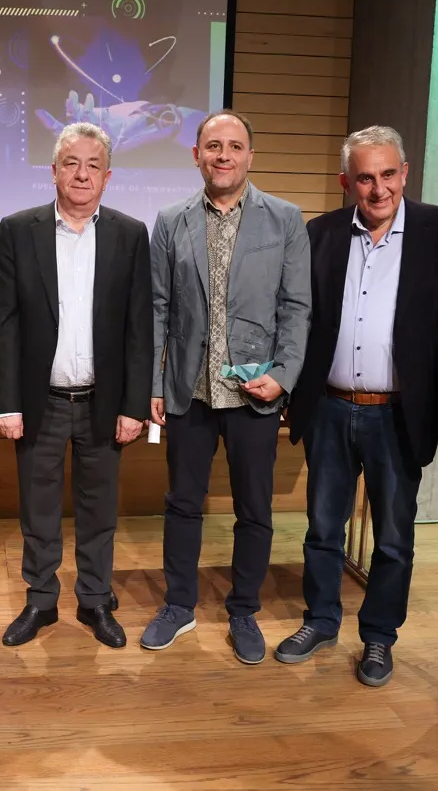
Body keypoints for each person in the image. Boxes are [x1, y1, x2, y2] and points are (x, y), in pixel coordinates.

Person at [277, 126, 438, 686]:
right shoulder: (320, 233)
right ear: (347, 182)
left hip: (399, 415)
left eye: (388, 174)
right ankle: (320, 621)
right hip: (329, 408)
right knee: (322, 528)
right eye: (365, 177)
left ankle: (379, 636)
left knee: (393, 537)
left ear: (405, 173)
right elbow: (300, 318)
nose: (379, 188)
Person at [142, 109, 311, 664]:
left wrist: (283, 376)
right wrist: (154, 383)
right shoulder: (171, 220)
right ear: (197, 155)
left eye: (234, 146)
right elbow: (157, 308)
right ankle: (179, 606)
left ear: (250, 156)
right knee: (181, 505)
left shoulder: (285, 219)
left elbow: (296, 308)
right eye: (213, 146)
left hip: (253, 393)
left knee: (254, 509)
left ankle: (244, 610)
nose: (223, 155)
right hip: (188, 391)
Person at [0, 123, 152, 649]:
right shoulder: (19, 230)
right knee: (38, 510)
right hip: (42, 400)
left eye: (93, 165)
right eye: (71, 164)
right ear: (54, 171)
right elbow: (6, 323)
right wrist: (7, 401)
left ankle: (95, 599)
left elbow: (139, 328)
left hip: (104, 402)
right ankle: (40, 600)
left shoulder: (130, 234)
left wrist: (133, 406)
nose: (82, 174)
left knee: (99, 509)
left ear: (107, 176)